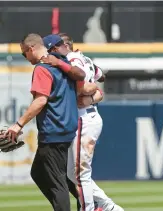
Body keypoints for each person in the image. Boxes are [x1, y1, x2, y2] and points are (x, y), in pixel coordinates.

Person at [42, 34, 124, 211]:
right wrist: (94, 90)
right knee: (74, 174)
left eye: (53, 48)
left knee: (80, 175)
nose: (51, 53)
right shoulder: (83, 58)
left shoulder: (71, 59)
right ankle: (109, 207)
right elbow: (101, 76)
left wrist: (89, 90)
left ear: (63, 46)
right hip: (87, 116)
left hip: (83, 119)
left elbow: (83, 83)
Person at [5, 33, 84, 211]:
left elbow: (41, 100)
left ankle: (85, 203)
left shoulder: (43, 68)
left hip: (53, 131)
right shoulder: (62, 62)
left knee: (57, 184)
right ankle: (84, 200)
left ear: (31, 48)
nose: (25, 57)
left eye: (24, 53)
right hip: (67, 128)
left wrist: (18, 125)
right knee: (39, 173)